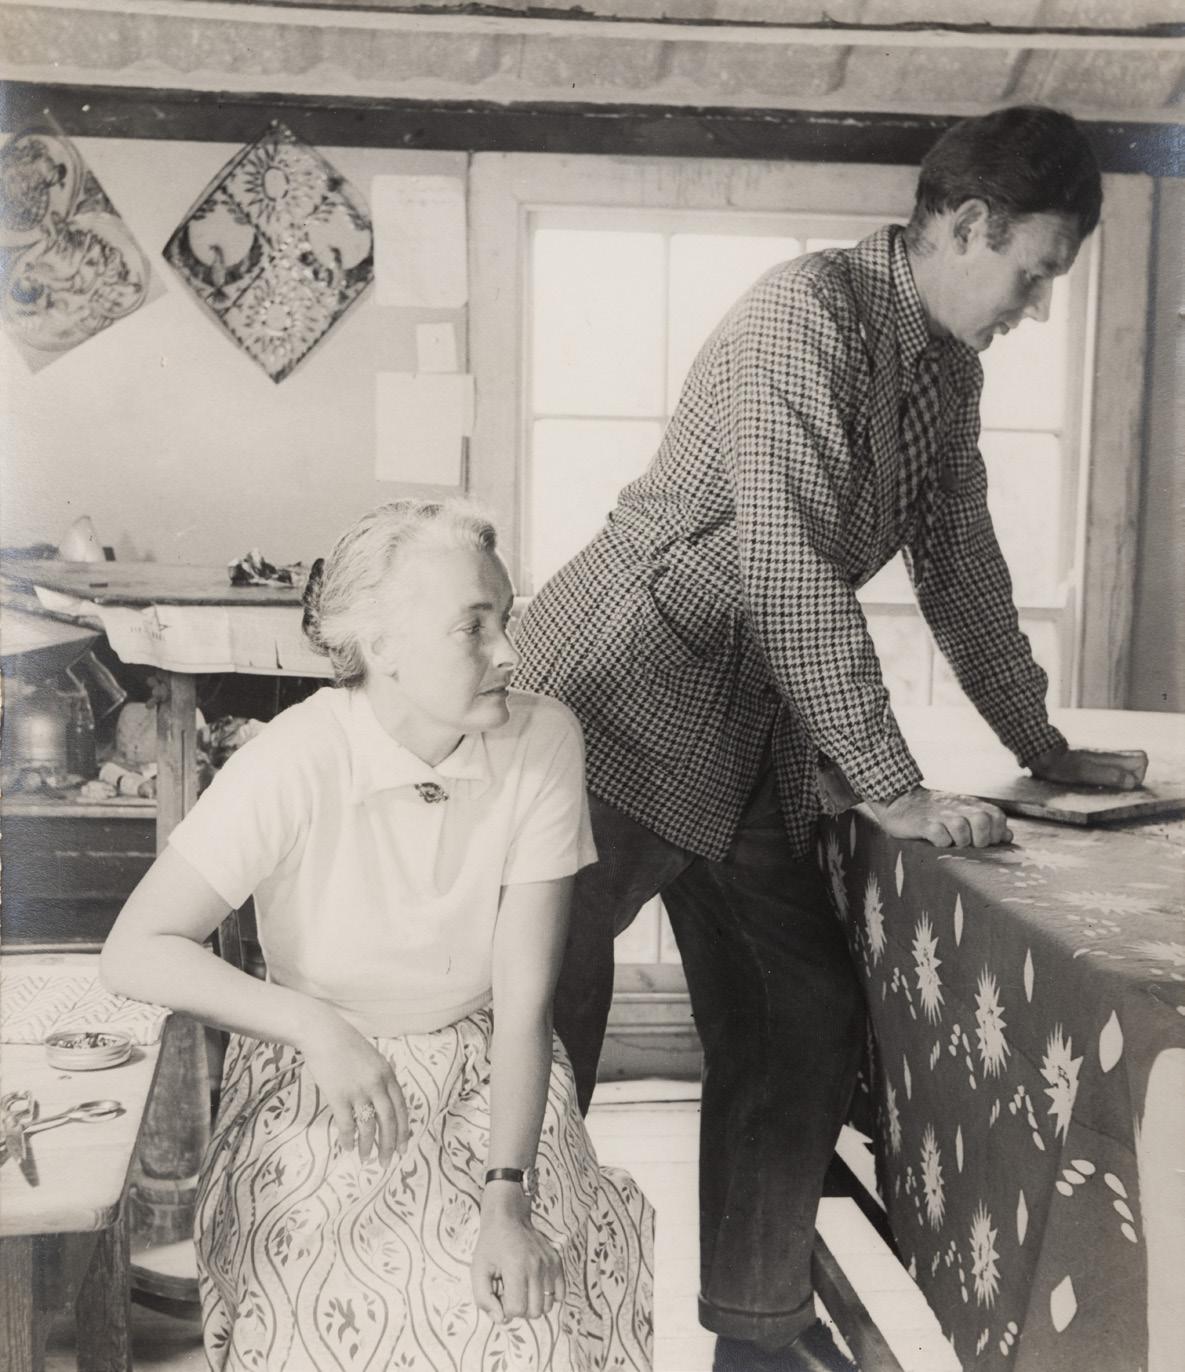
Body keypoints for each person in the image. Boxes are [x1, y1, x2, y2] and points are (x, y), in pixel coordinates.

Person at [513, 105, 1147, 1372]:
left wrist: (1043, 740)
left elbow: (962, 569)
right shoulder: (798, 319)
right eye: (1033, 274)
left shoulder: (947, 371)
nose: (1034, 307)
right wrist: (895, 791)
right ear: (968, 225)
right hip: (610, 703)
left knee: (798, 1012)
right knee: (544, 1032)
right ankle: (516, 1338)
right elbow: (792, 571)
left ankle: (755, 1338)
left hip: (744, 722)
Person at [101, 499, 654, 1372]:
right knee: (337, 1316)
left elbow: (523, 1006)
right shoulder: (293, 757)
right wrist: (313, 1026)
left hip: (488, 1071)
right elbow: (135, 948)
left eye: (504, 619)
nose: (508, 652)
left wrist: (505, 1199)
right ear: (381, 646)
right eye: (472, 627)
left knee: (526, 1325)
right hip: (316, 1075)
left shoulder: (543, 738)